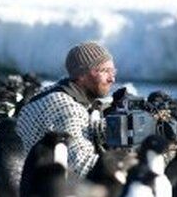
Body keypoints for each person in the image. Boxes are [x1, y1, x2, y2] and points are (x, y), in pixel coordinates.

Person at [16, 41, 116, 177]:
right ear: (81, 75)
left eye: (112, 71)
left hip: (32, 181)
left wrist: (107, 130)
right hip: (40, 192)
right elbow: (81, 167)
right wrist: (128, 165)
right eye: (104, 71)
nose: (112, 78)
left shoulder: (54, 91)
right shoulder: (67, 109)